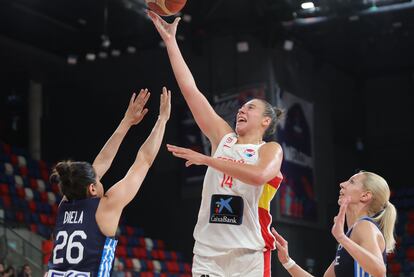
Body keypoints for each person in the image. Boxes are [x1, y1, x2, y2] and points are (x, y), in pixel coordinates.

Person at [148, 11, 284, 277]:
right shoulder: (224, 137)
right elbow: (191, 91)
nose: (241, 111)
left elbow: (258, 176)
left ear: (266, 121)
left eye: (250, 108)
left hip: (249, 255)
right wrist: (171, 41)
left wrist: (208, 160)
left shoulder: (269, 149)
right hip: (209, 254)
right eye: (241, 107)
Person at [46, 88, 171, 276]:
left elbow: (103, 161)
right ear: (92, 188)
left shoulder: (66, 202)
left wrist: (127, 121)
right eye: (97, 177)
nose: (99, 174)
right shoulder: (105, 207)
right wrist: (162, 120)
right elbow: (144, 160)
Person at [272, 171, 397, 277]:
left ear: (365, 195)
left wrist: (341, 237)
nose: (342, 184)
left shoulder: (364, 226)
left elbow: (379, 270)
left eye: (352, 182)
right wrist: (287, 262)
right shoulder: (350, 236)